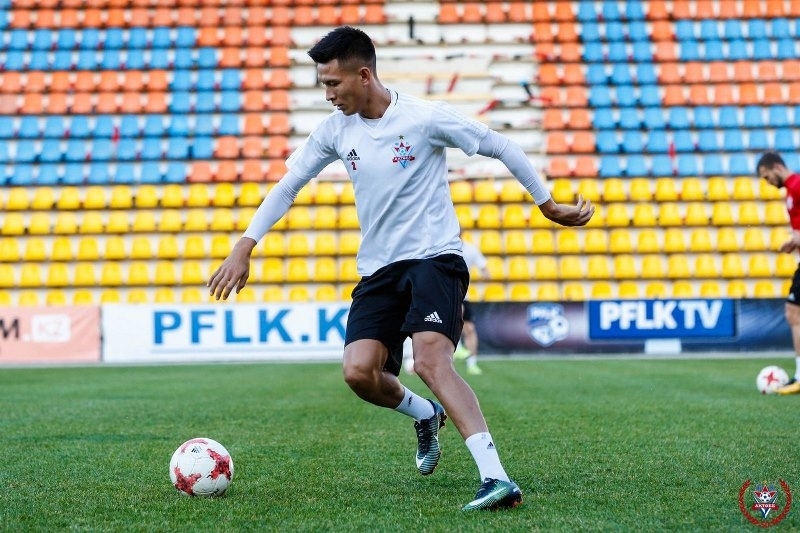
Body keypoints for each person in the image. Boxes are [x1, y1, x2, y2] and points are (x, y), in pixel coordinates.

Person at [208, 26, 594, 510]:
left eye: (333, 83)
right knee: (359, 373)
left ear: (363, 75)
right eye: (323, 84)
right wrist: (245, 245)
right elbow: (288, 186)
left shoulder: (423, 117)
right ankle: (424, 414)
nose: (328, 95)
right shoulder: (334, 130)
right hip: (379, 269)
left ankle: (496, 478)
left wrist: (547, 203)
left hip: (435, 258)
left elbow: (500, 145)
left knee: (431, 361)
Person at [757, 151, 800, 395]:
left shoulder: (797, 186)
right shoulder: (791, 191)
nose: (768, 183)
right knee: (794, 313)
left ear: (776, 167)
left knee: (794, 313)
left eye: (766, 177)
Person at [453, 239, 491, 375]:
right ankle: (457, 348)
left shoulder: (470, 249)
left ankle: (472, 363)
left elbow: (485, 271)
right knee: (458, 314)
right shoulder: (442, 246)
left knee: (470, 329)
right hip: (448, 294)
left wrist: (482, 276)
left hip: (464, 295)